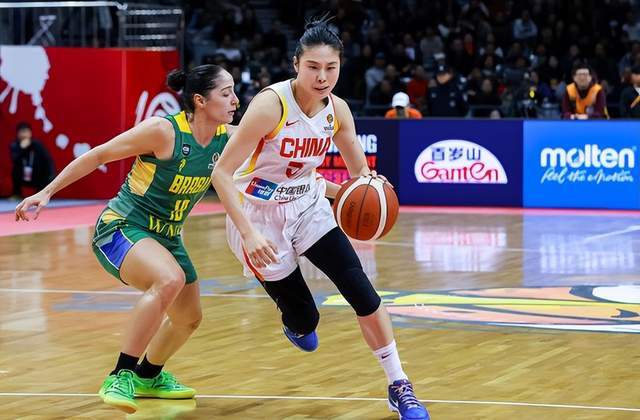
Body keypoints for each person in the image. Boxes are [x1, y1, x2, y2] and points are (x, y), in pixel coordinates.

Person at [211, 16, 430, 420]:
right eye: (313, 67)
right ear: (296, 64)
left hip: (308, 206)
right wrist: (249, 234)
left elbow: (358, 173)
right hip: (257, 216)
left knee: (361, 291)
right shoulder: (270, 106)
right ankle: (295, 321)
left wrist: (370, 186)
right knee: (306, 320)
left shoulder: (338, 111)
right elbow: (222, 174)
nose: (322, 77)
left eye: (331, 67)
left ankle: (399, 384)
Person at [15, 65, 238, 414]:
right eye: (226, 93)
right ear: (200, 100)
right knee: (169, 279)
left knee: (189, 317)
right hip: (121, 226)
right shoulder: (163, 131)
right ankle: (120, 375)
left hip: (167, 236)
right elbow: (99, 154)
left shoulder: (229, 138)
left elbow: (279, 146)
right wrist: (47, 192)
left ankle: (149, 375)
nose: (235, 100)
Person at [9, 122, 55, 198]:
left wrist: (51, 175)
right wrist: (22, 148)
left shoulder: (37, 144)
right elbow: (15, 160)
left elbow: (47, 160)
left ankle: (41, 194)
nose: (24, 135)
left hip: (37, 175)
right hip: (23, 176)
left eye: (26, 132)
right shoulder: (14, 145)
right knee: (15, 170)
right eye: (22, 132)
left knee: (48, 173)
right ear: (18, 134)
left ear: (30, 133)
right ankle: (17, 194)